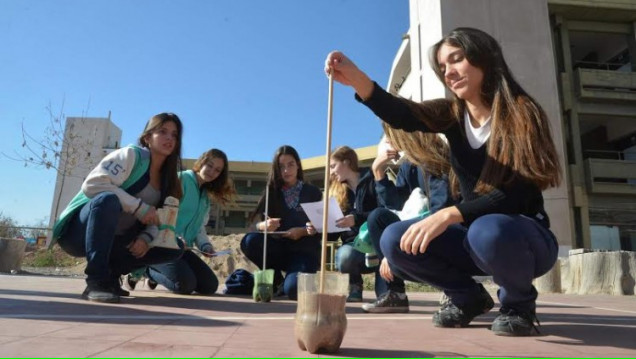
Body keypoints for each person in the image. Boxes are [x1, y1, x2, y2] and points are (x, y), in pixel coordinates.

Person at [325, 27, 561, 336]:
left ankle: (518, 305)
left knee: (486, 228)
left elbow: (516, 193)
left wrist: (452, 213)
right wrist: (357, 79)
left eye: (457, 59)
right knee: (395, 239)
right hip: (473, 240)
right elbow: (405, 114)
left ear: (483, 58)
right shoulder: (453, 115)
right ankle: (467, 298)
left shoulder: (522, 112)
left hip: (525, 241)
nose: (449, 72)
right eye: (443, 66)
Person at [51, 113, 186, 303]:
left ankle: (111, 277)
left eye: (174, 134)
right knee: (107, 200)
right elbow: (93, 184)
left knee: (174, 247)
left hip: (117, 240)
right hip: (78, 234)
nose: (169, 138)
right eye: (163, 132)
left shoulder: (169, 179)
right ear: (147, 137)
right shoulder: (131, 156)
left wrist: (145, 238)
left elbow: (159, 218)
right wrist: (138, 207)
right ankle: (96, 282)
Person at [362, 126, 454, 313]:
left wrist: (392, 245)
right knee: (378, 217)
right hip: (419, 226)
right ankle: (395, 294)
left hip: (445, 227)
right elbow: (395, 204)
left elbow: (441, 207)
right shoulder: (408, 165)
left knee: (393, 234)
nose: (390, 144)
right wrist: (378, 172)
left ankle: (453, 287)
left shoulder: (436, 156)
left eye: (391, 138)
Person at [129, 149, 236, 295]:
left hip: (183, 250)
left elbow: (199, 227)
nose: (212, 172)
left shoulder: (205, 196)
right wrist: (176, 237)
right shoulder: (181, 179)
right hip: (161, 245)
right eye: (209, 165)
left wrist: (206, 246)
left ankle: (160, 271)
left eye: (217, 170)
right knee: (185, 285)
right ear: (201, 162)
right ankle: (146, 269)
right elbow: (162, 211)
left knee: (210, 286)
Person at [240, 145, 322, 300]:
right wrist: (263, 226)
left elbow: (321, 227)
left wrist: (303, 231)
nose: (286, 170)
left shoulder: (312, 192)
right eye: (281, 166)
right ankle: (276, 279)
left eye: (290, 164)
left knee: (293, 290)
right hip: (278, 251)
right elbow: (253, 225)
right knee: (249, 240)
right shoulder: (271, 192)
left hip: (304, 253)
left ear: (298, 165)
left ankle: (295, 280)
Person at [329, 145, 382, 302]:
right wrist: (319, 228)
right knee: (344, 255)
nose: (331, 172)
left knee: (383, 295)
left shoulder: (373, 179)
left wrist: (356, 219)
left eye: (333, 166)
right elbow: (334, 233)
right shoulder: (337, 193)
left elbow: (384, 211)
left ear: (346, 162)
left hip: (376, 245)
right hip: (354, 248)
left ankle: (387, 281)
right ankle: (355, 285)